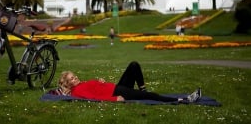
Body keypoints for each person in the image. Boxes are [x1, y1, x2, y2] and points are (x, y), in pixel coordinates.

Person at [58, 61, 201, 103]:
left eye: (74, 76)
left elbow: (94, 88)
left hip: (117, 86)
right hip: (117, 92)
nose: (75, 78)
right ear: (67, 83)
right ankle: (184, 99)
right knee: (151, 96)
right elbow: (94, 98)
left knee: (134, 65)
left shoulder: (81, 84)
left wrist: (99, 81)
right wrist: (114, 99)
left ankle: (142, 90)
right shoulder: (77, 90)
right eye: (71, 79)